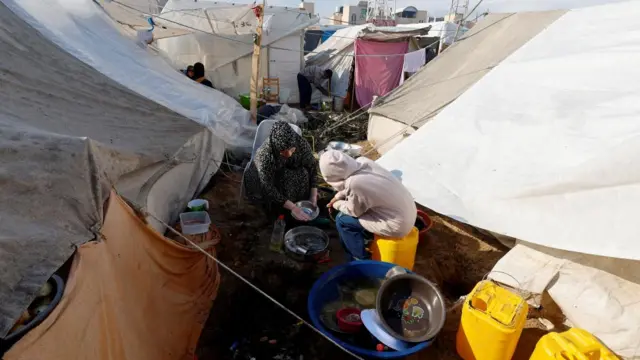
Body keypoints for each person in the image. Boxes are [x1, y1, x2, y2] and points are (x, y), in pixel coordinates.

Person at [320, 150, 417, 261]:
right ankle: (366, 237)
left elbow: (354, 211)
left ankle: (358, 257)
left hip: (397, 225)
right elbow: (354, 187)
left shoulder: (355, 183)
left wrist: (336, 204)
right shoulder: (363, 163)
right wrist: (337, 197)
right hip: (408, 211)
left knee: (342, 220)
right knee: (360, 208)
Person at [244, 121, 318, 221]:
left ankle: (296, 204)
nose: (289, 154)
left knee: (303, 174)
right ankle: (278, 212)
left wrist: (313, 197)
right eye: (283, 151)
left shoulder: (301, 143)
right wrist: (293, 207)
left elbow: (312, 167)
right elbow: (267, 186)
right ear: (275, 147)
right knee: (279, 188)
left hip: (284, 171)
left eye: (292, 150)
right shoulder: (265, 155)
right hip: (261, 179)